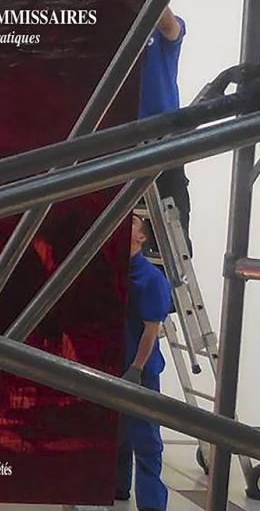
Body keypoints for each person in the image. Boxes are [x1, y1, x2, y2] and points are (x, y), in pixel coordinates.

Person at [116, 213, 172, 510]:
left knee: (146, 440)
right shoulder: (114, 273)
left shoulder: (151, 278)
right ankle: (117, 488)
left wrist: (136, 369)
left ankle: (152, 505)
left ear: (142, 237)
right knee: (118, 436)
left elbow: (151, 331)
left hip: (141, 372)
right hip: (114, 369)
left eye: (131, 225)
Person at [141, 0, 192, 254]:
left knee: (174, 238)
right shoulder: (114, 33)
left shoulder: (165, 30)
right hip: (122, 145)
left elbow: (169, 26)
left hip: (165, 143)